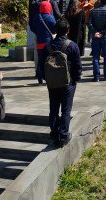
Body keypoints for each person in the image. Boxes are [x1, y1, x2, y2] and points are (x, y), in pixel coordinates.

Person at [45, 18, 82, 146]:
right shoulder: (72, 45)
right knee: (66, 110)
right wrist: (76, 79)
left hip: (52, 83)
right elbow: (77, 66)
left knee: (53, 109)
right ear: (68, 30)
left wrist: (47, 78)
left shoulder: (48, 45)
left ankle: (54, 133)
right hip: (68, 82)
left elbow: (41, 66)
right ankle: (64, 135)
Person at [88, 0, 106, 81]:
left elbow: (90, 24)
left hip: (95, 36)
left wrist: (95, 32)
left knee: (95, 57)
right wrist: (102, 33)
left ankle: (96, 76)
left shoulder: (93, 11)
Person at [33, 0, 56, 83]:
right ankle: (48, 78)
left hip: (39, 42)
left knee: (40, 61)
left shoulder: (36, 17)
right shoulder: (51, 17)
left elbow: (34, 28)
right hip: (48, 42)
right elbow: (54, 28)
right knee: (49, 60)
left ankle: (39, 78)